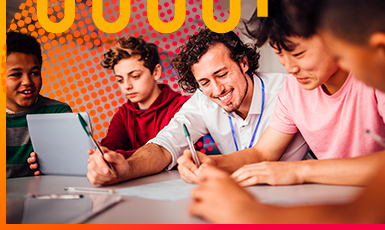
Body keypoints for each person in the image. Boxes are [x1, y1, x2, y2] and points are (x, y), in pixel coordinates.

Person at [189, 0, 385, 224]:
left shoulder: (381, 75)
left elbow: (369, 209)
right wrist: (213, 162)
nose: (289, 67)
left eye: (298, 52)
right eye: (279, 54)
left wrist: (300, 172)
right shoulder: (294, 88)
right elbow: (263, 151)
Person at [86, 29, 307, 185]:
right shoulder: (203, 100)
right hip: (239, 197)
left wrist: (212, 163)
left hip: (297, 195)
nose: (218, 89)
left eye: (222, 74)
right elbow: (164, 145)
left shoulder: (286, 89)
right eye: (204, 82)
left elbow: (262, 155)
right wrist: (128, 168)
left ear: (243, 63)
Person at [95, 36, 189, 158]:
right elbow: (110, 150)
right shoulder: (123, 114)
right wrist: (102, 154)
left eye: (135, 76)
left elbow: (181, 155)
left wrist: (118, 157)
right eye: (120, 79)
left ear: (156, 72)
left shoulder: (182, 107)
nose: (127, 86)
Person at [6, 31, 72, 178]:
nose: (27, 81)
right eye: (16, 74)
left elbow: (73, 164)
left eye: (34, 73)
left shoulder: (58, 114)